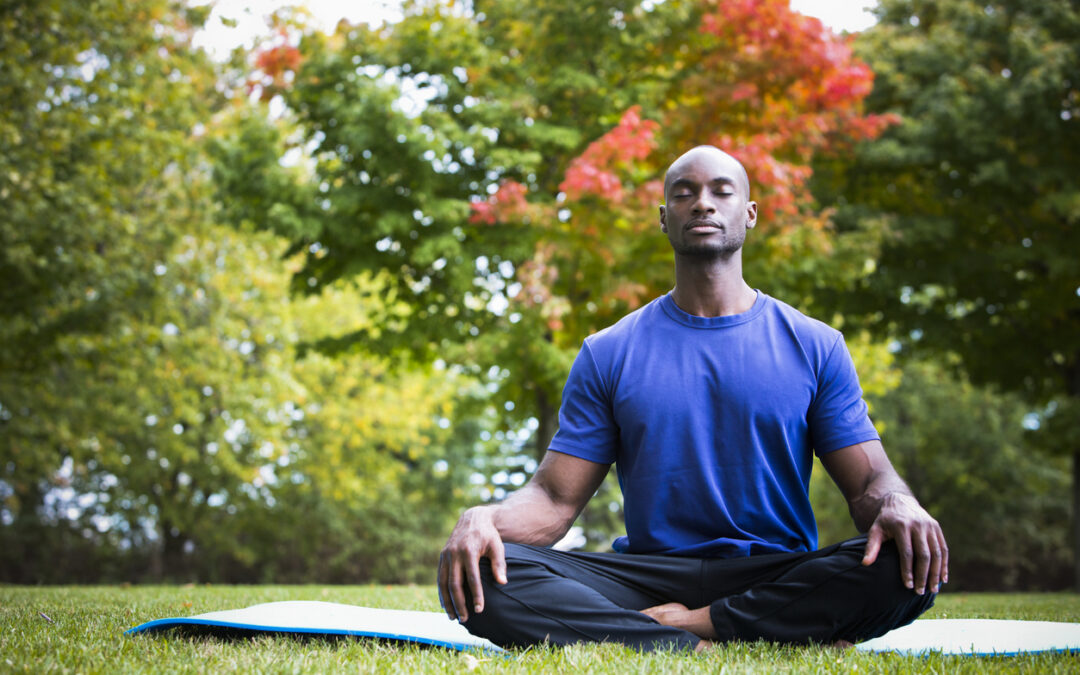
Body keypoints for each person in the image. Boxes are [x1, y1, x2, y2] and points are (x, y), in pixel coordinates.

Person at [437, 145, 947, 652]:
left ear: (749, 214)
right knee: (482, 571)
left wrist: (899, 503)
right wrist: (485, 518)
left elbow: (868, 486)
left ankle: (690, 626)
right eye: (685, 194)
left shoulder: (815, 345)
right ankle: (729, 634)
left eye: (721, 192)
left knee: (904, 559)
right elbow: (553, 501)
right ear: (664, 218)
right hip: (646, 574)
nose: (703, 204)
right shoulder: (608, 351)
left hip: (773, 570)